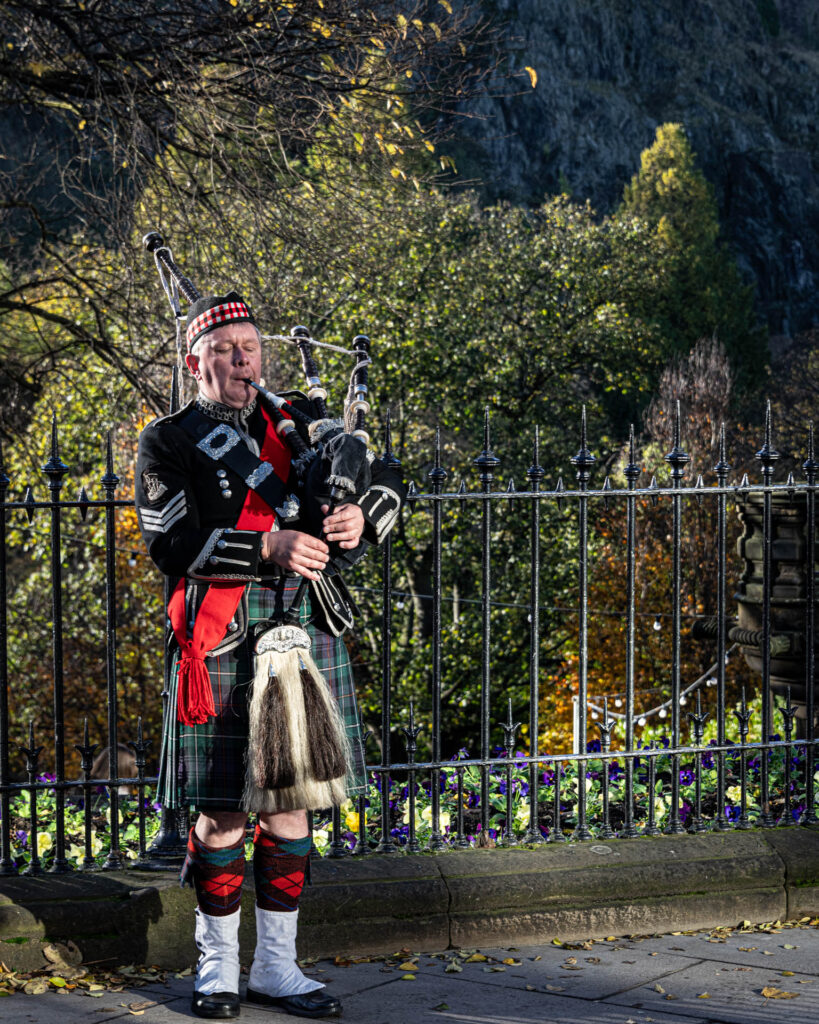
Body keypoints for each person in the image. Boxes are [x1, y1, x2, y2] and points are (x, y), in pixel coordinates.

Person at [136, 292, 404, 1020]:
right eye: (225, 349)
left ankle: (277, 969)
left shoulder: (302, 421)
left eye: (250, 346)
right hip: (221, 633)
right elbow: (168, 542)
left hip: (302, 626)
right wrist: (266, 545)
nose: (242, 358)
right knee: (223, 814)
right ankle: (217, 969)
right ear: (196, 363)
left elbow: (388, 479)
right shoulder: (169, 440)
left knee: (293, 807)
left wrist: (360, 517)